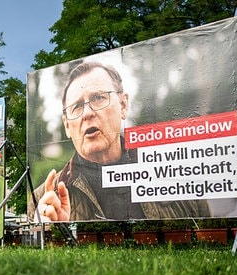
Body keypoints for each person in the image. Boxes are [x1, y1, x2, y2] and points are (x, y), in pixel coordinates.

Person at [31, 61, 211, 222]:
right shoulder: (41, 200)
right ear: (67, 127)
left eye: (98, 98)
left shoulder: (178, 179)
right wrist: (47, 235)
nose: (87, 113)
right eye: (77, 106)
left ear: (123, 105)